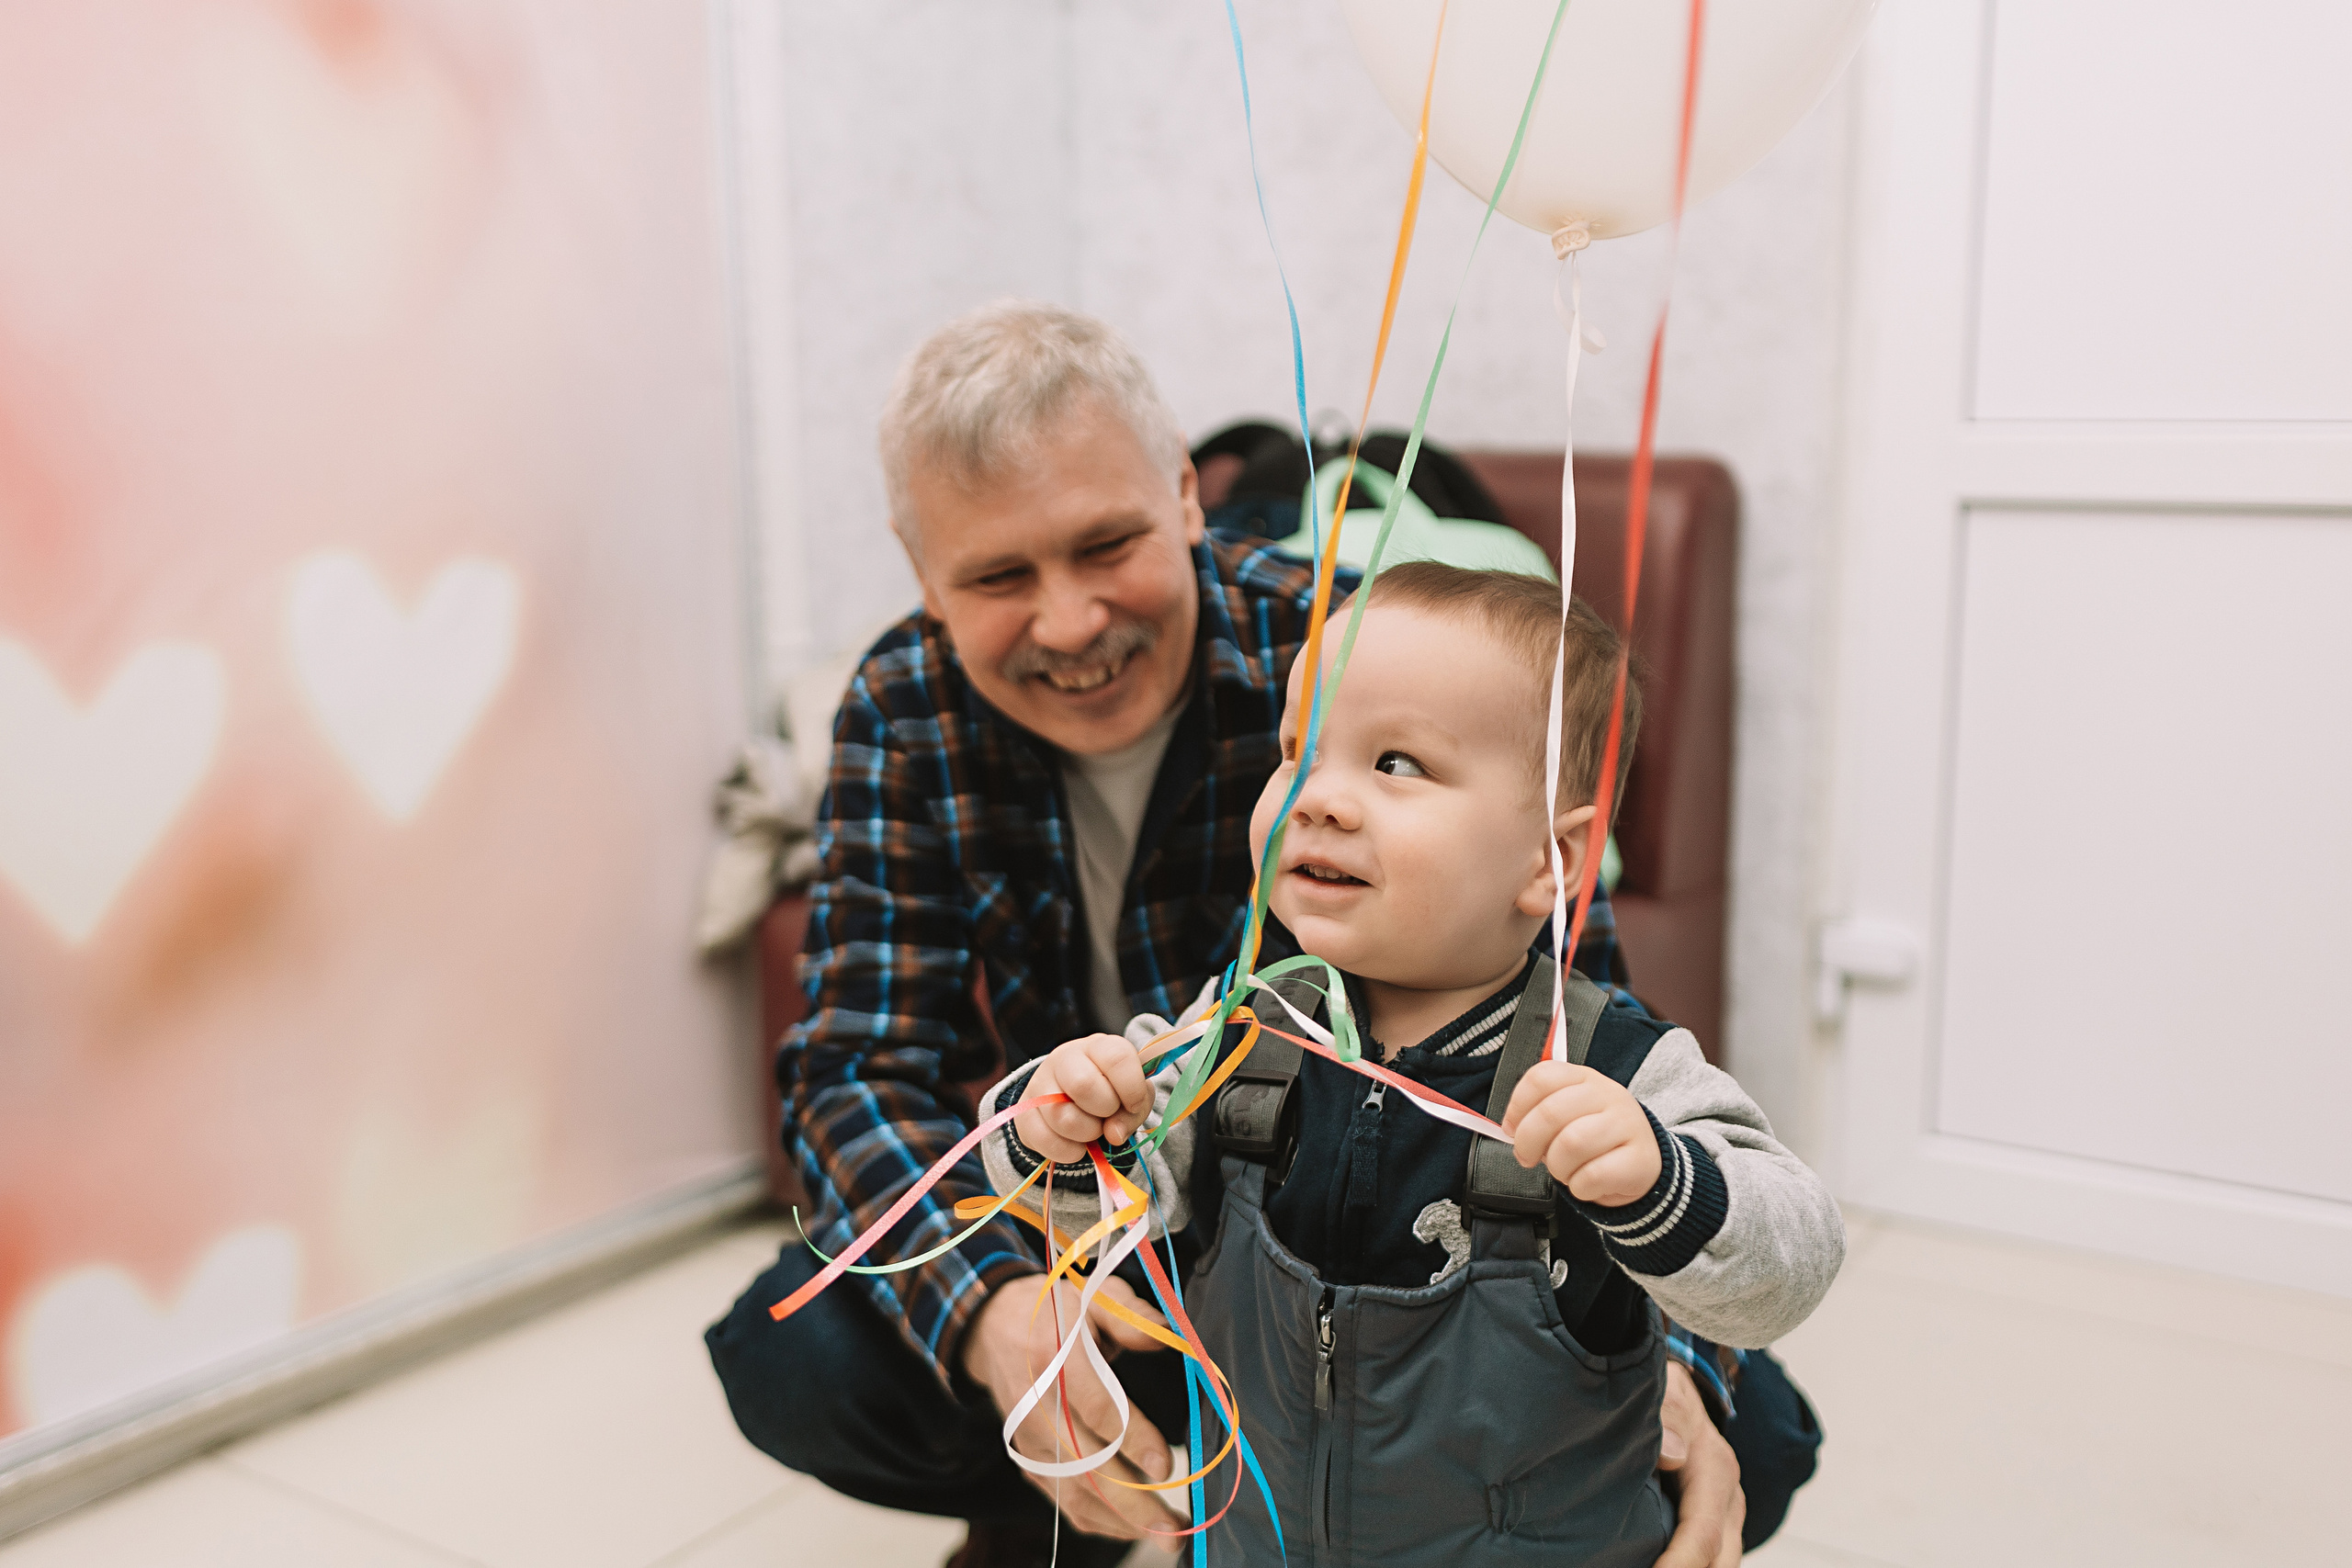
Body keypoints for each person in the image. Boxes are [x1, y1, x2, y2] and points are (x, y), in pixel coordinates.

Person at [707, 301, 1749, 1567]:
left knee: (1753, 1430)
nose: (1070, 622)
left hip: (1402, 1265)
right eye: (996, 577)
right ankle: (1076, 1501)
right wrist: (998, 1316)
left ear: (1189, 497)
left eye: (1107, 544)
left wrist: (1672, 1364)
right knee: (796, 1350)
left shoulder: (1352, 655)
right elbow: (854, 1070)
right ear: (923, 574)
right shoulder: (902, 703)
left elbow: (1579, 1014)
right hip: (1120, 1238)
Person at [987, 564, 1844, 1562]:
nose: (1318, 797)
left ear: (1551, 861)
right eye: (1297, 751)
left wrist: (1662, 1183)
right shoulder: (1240, 1027)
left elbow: (1793, 1263)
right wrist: (1060, 1131)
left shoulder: (1615, 1070)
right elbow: (1091, 1215)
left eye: (1395, 763)